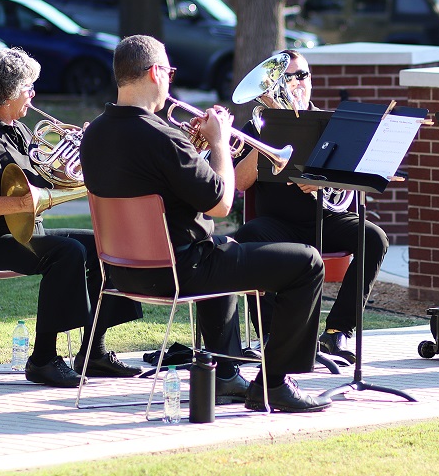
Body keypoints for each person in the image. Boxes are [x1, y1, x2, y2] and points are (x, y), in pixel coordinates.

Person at [79, 35, 330, 413]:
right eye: (170, 71)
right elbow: (221, 203)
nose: (171, 80)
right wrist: (218, 144)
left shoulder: (95, 133)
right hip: (181, 269)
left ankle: (224, 375)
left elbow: (158, 181)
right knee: (307, 262)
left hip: (122, 271)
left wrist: (194, 148)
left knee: (228, 248)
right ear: (155, 73)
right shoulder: (163, 138)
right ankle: (275, 384)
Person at [0, 48, 142, 388]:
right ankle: (43, 359)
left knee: (104, 246)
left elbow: (47, 180)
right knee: (67, 252)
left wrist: (85, 149)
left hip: (27, 233)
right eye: (28, 87)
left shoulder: (17, 131)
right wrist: (17, 206)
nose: (32, 94)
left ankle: (92, 352)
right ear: (6, 93)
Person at [233, 49, 389, 364]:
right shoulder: (259, 125)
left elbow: (351, 185)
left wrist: (322, 182)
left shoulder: (330, 125)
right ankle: (273, 336)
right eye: (287, 77)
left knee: (374, 238)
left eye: (302, 75)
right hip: (277, 223)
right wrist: (267, 140)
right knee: (248, 235)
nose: (296, 83)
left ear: (311, 79)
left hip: (328, 218)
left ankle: (337, 332)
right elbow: (239, 182)